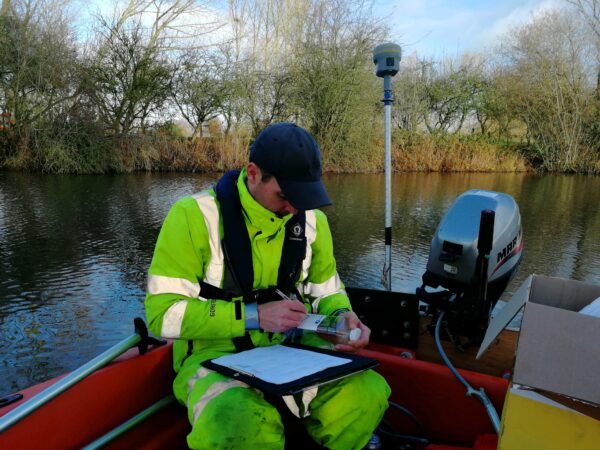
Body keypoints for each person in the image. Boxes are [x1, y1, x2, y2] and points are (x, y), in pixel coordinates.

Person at [145, 122, 391, 450]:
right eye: (285, 196)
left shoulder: (313, 222)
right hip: (212, 357)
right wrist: (254, 316)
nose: (294, 209)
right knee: (236, 421)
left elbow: (327, 289)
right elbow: (163, 316)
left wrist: (342, 316)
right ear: (253, 173)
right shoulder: (192, 217)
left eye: (304, 198)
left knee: (367, 394)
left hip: (293, 351)